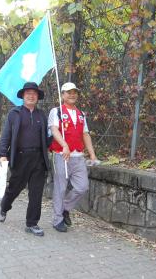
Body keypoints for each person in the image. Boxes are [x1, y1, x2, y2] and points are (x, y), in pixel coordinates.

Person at [0, 82, 50, 237]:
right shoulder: (15, 113)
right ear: (23, 96)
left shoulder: (42, 115)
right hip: (20, 158)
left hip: (38, 158)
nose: (31, 96)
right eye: (28, 93)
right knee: (14, 188)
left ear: (38, 97)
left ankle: (32, 223)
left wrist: (56, 135)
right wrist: (2, 154)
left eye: (34, 93)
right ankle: (4, 206)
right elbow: (6, 134)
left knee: (36, 192)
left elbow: (46, 139)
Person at [48, 82, 98, 232]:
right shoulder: (56, 111)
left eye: (74, 92)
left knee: (82, 187)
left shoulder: (81, 114)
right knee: (60, 188)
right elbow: (54, 130)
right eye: (68, 92)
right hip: (61, 155)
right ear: (62, 95)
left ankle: (65, 208)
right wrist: (64, 145)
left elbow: (85, 134)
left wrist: (92, 154)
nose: (72, 95)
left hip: (78, 156)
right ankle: (57, 220)